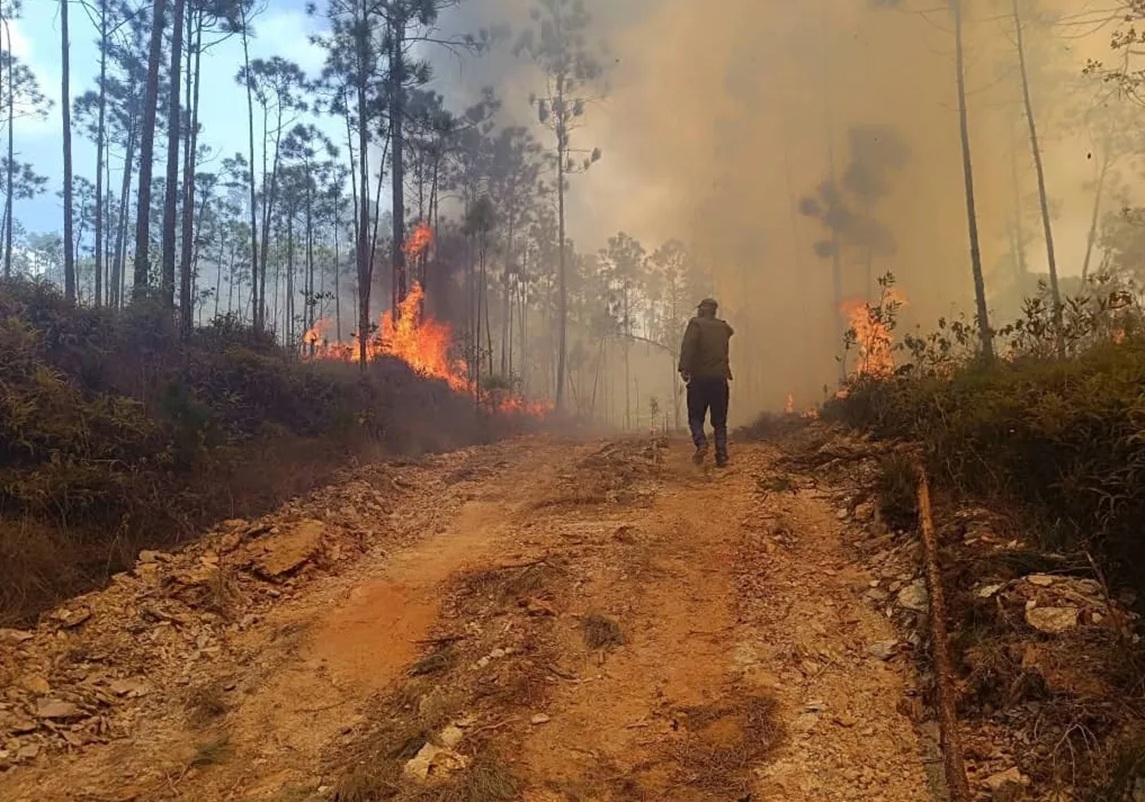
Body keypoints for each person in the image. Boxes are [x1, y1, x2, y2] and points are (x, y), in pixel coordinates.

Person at [678, 297, 734, 467]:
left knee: (695, 417)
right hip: (720, 378)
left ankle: (701, 443)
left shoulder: (695, 324)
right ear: (714, 311)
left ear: (701, 310)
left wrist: (684, 369)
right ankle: (722, 456)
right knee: (720, 421)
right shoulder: (723, 327)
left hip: (700, 379)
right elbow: (731, 331)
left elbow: (688, 346)